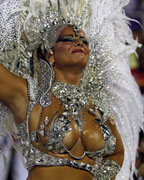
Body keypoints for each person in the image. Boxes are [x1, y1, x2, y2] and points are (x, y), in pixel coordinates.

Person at [0, 0, 143, 180]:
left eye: (84, 40)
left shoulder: (99, 106)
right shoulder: (29, 94)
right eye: (68, 39)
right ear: (49, 54)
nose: (79, 43)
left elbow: (116, 153)